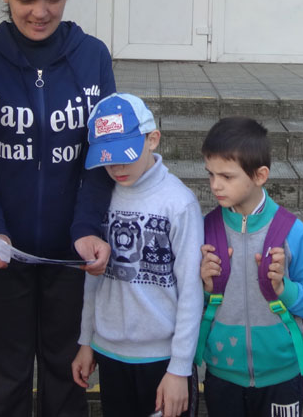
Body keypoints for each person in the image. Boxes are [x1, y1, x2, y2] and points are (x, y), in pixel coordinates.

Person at [0, 0, 116, 417]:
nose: (41, 12)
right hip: (0, 257)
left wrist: (87, 227)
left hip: (72, 259)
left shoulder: (92, 57)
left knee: (67, 383)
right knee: (0, 386)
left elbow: (103, 153)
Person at [70, 93, 204, 417]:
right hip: (109, 353)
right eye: (107, 159)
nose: (116, 167)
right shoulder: (101, 199)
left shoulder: (179, 203)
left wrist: (179, 368)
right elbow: (93, 279)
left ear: (152, 139)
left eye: (124, 156)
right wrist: (86, 341)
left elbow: (191, 289)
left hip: (162, 360)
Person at [197, 117, 303, 417]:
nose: (215, 185)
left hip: (282, 376)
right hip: (221, 374)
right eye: (211, 174)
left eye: (227, 176)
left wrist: (284, 288)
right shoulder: (206, 230)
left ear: (260, 175)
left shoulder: (292, 231)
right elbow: (190, 305)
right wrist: (204, 287)